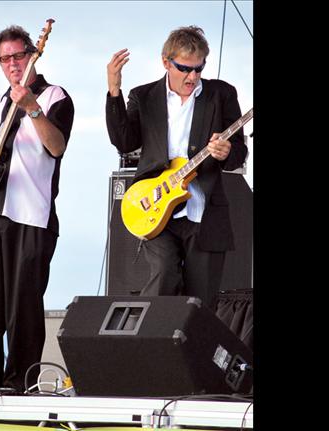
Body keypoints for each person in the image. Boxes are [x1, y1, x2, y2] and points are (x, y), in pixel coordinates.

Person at [0, 25, 74, 393]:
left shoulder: (56, 97)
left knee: (23, 305)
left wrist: (33, 110)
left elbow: (56, 147)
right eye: (5, 58)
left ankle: (20, 384)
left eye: (19, 55)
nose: (12, 63)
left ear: (33, 55)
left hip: (32, 215)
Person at [105, 26, 248, 308]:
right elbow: (123, 141)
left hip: (203, 210)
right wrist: (114, 90)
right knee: (163, 275)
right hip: (157, 205)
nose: (193, 77)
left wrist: (226, 152)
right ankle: (148, 349)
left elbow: (239, 154)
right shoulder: (144, 96)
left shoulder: (221, 94)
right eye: (185, 69)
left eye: (199, 68)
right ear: (166, 62)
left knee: (199, 303)